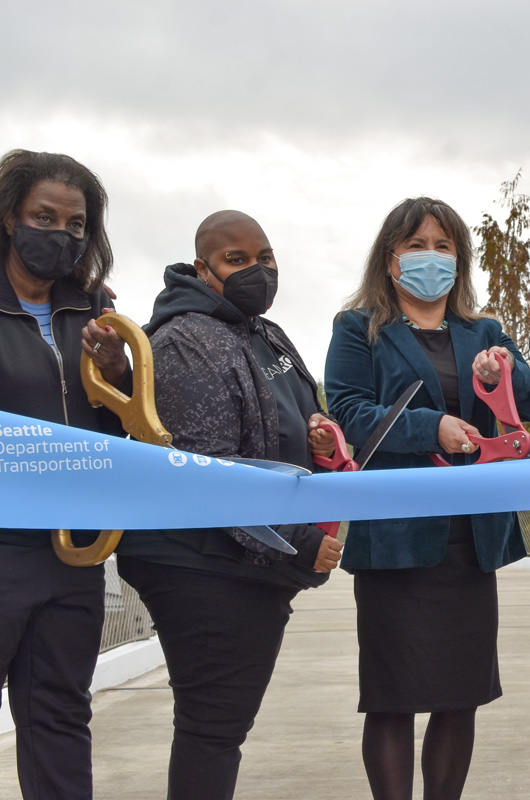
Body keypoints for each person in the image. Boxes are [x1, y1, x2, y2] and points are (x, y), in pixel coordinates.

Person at [324, 196, 530, 800]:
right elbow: (346, 412)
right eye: (416, 245)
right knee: (392, 700)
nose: (431, 256)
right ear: (391, 258)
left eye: (443, 246)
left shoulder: (484, 331)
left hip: (469, 544)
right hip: (395, 542)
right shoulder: (359, 328)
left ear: (460, 258)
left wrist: (497, 373)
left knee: (460, 698)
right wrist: (433, 427)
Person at [117, 210, 344, 800]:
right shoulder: (184, 342)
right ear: (202, 268)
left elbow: (297, 410)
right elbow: (209, 476)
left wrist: (318, 433)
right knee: (211, 730)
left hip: (250, 562)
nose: (256, 271)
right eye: (236, 260)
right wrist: (304, 537)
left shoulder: (263, 331)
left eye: (265, 258)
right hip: (200, 565)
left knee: (220, 730)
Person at [0, 149, 130, 799]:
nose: (60, 234)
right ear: (8, 217)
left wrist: (116, 374)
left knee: (58, 716)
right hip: (3, 544)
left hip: (74, 552)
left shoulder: (97, 312)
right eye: (43, 217)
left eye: (75, 224)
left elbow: (128, 426)